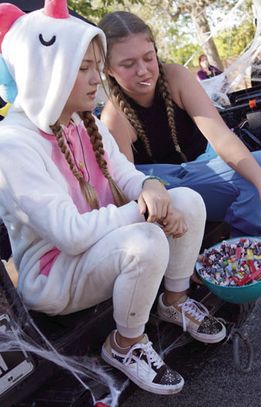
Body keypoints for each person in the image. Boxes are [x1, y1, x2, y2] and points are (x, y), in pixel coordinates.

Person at [0, 0, 226, 395]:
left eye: (94, 66)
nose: (95, 79)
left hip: (101, 249)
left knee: (187, 199)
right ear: (46, 72)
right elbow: (69, 235)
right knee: (146, 238)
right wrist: (140, 209)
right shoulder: (14, 144)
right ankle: (125, 344)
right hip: (55, 277)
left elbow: (126, 174)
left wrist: (150, 187)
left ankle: (174, 300)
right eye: (83, 68)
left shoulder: (83, 121)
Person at [98, 11, 261, 238]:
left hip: (204, 172)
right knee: (165, 194)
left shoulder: (176, 77)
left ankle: (240, 242)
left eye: (148, 58)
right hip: (166, 190)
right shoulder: (113, 117)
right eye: (128, 64)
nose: (142, 70)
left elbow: (220, 136)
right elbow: (126, 188)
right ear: (108, 69)